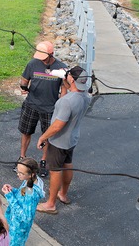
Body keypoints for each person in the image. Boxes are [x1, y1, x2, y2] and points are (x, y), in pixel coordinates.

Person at [35, 66, 90, 215]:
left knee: (55, 170)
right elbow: (69, 97)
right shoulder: (86, 97)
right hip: (72, 139)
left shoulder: (67, 102)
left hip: (59, 141)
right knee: (67, 165)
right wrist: (65, 83)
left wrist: (43, 137)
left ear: (71, 79)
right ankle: (63, 194)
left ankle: (51, 204)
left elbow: (58, 125)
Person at [17, 41, 67, 178]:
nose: (41, 60)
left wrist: (61, 105)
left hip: (50, 108)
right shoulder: (32, 64)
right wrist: (24, 87)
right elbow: (24, 81)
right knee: (26, 132)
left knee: (47, 136)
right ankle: (22, 158)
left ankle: (43, 161)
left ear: (52, 54)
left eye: (44, 57)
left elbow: (64, 89)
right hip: (31, 105)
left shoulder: (61, 68)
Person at [2, 157, 44, 246]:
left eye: (21, 173)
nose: (18, 174)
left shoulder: (32, 194)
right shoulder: (28, 181)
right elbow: (22, 194)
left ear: (31, 174)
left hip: (18, 230)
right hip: (14, 223)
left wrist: (10, 197)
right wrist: (12, 190)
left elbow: (26, 218)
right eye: (17, 171)